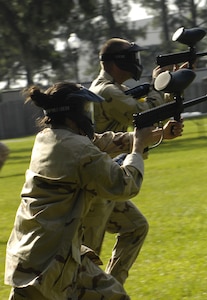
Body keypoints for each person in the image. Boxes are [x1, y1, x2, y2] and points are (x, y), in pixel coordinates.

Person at [4, 82, 180, 300]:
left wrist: (155, 134)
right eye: (85, 110)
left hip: (43, 252)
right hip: (48, 262)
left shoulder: (50, 138)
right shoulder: (76, 148)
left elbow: (101, 142)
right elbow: (125, 185)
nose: (88, 116)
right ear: (72, 115)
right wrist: (137, 149)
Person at [83, 37, 184, 284]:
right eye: (131, 57)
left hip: (110, 179)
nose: (135, 62)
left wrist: (172, 86)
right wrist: (159, 86)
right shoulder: (105, 91)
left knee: (135, 227)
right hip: (97, 184)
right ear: (118, 62)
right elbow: (144, 115)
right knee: (86, 255)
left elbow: (151, 111)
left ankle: (111, 289)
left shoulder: (116, 89)